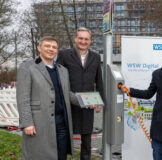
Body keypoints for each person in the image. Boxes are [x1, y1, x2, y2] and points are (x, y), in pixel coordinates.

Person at [16, 36, 76, 160]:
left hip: (62, 123)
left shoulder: (63, 70)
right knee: (38, 155)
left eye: (54, 47)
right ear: (39, 48)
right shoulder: (27, 67)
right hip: (39, 123)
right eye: (47, 46)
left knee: (61, 155)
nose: (51, 49)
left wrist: (86, 101)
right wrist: (27, 123)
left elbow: (67, 94)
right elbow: (23, 98)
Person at [57, 27, 104, 160]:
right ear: (75, 39)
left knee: (87, 139)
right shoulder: (64, 54)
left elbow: (99, 80)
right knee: (65, 136)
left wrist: (100, 101)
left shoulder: (95, 57)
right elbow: (58, 78)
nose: (83, 41)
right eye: (81, 38)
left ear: (90, 41)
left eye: (86, 39)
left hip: (88, 104)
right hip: (69, 102)